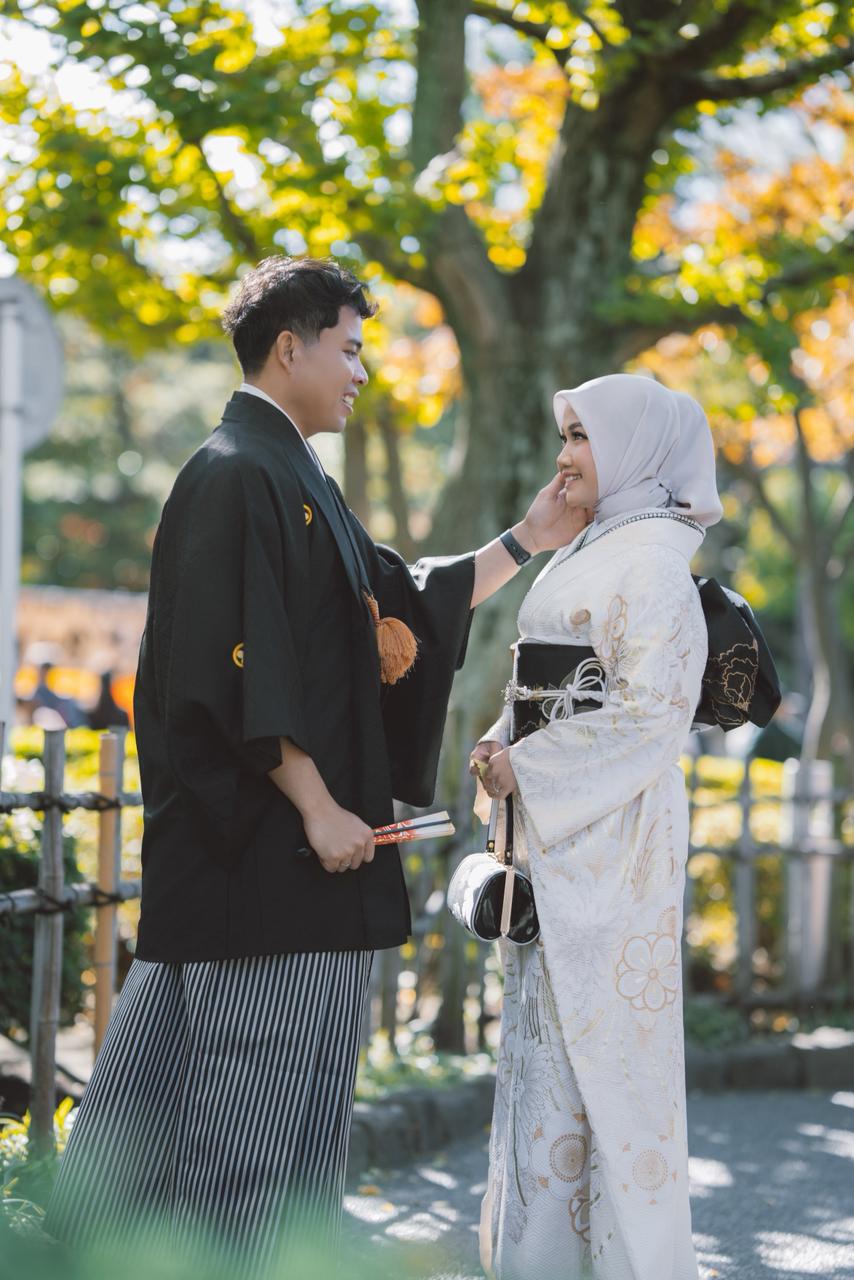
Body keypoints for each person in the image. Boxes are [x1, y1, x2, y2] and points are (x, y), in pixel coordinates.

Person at [45, 256, 584, 1274]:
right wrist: (316, 801)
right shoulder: (233, 471)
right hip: (265, 854)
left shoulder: (291, 474)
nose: (362, 372)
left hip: (281, 859)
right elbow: (231, 660)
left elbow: (397, 603)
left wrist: (528, 539)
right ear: (288, 348)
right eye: (349, 348)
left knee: (171, 1099)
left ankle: (94, 1255)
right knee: (247, 1117)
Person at [471, 373, 723, 1280]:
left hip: (614, 837)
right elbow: (546, 687)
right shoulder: (594, 544)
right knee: (543, 1051)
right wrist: (501, 739)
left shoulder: (654, 562)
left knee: (604, 1060)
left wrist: (529, 766)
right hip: (562, 828)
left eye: (582, 437)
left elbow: (653, 714)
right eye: (566, 435)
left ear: (635, 450)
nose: (565, 455)